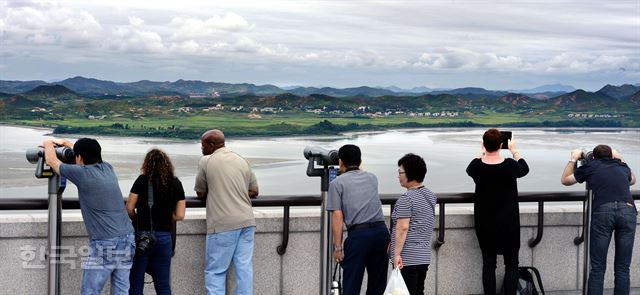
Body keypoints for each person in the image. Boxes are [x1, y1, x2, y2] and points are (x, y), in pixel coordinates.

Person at [41, 137, 135, 295]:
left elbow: (51, 160)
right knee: (121, 290)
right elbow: (83, 154)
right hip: (127, 239)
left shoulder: (82, 173)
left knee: (90, 291)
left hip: (105, 243)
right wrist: (66, 143)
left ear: (79, 157)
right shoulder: (108, 168)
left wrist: (48, 143)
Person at [561, 145, 637, 295]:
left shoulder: (590, 166)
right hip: (628, 210)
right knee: (623, 267)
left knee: (597, 266)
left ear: (594, 157)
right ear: (612, 156)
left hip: (603, 211)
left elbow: (565, 180)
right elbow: (632, 180)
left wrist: (573, 158)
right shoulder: (621, 166)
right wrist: (620, 157)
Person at [194, 129, 259, 295]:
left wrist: (217, 190)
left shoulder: (206, 161)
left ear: (211, 145)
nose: (201, 149)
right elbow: (254, 191)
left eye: (202, 145)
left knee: (215, 271)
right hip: (247, 222)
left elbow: (200, 193)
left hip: (222, 224)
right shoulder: (241, 160)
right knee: (244, 268)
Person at [466, 129, 529, 295]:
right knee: (512, 264)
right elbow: (525, 168)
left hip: (485, 223)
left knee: (488, 263)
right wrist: (514, 149)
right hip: (509, 223)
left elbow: (470, 167)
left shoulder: (477, 167)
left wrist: (482, 151)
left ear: (484, 145)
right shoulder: (509, 166)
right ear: (502, 145)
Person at [327, 144, 389, 295]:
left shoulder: (337, 183)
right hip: (381, 233)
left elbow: (337, 215)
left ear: (340, 161)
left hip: (359, 237)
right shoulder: (372, 178)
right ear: (360, 160)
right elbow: (360, 171)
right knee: (377, 286)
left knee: (351, 284)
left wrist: (337, 247)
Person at [126, 148, 186, 295]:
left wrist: (138, 219)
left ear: (147, 164)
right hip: (164, 237)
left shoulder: (141, 180)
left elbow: (129, 208)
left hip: (142, 236)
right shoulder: (175, 183)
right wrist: (164, 218)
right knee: (163, 284)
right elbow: (180, 215)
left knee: (136, 281)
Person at [390, 153, 437, 295]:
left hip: (407, 258)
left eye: (400, 173)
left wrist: (396, 254)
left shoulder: (406, 198)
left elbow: (402, 228)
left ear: (410, 174)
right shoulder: (430, 195)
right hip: (423, 257)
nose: (398, 176)